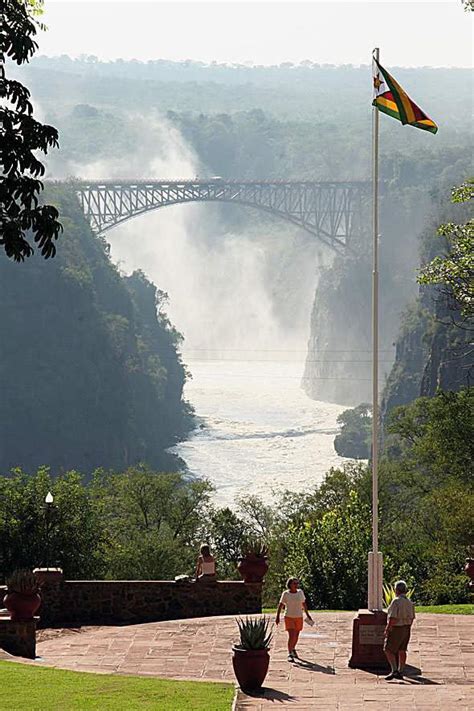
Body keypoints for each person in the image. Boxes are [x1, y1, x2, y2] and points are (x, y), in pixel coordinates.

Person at [383, 580, 416, 680]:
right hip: (406, 628)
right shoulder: (409, 602)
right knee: (402, 650)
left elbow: (393, 618)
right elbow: (412, 618)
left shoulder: (396, 601)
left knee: (388, 649)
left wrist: (388, 629)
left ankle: (394, 670)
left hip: (397, 627)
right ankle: (401, 670)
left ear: (396, 590)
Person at [275, 577, 313, 662]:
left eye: (297, 583)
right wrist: (277, 617)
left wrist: (307, 614)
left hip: (299, 616)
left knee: (296, 636)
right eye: (294, 583)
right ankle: (289, 653)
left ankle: (293, 649)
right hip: (289, 617)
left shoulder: (300, 592)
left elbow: (304, 604)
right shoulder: (286, 594)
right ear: (290, 584)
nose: (296, 585)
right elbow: (280, 605)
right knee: (291, 635)